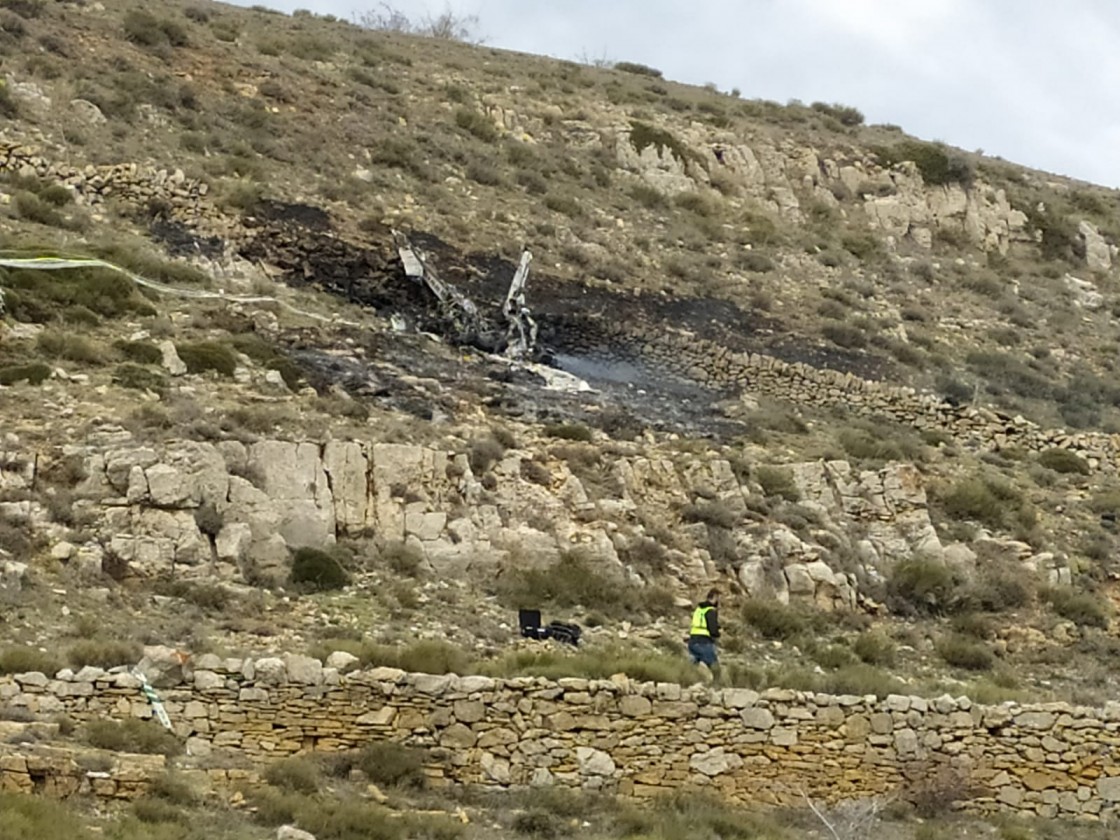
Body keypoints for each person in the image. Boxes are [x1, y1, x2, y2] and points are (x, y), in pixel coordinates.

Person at [688, 588, 722, 685]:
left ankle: (688, 685)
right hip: (704, 642)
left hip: (692, 641)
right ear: (715, 597)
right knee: (715, 668)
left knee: (690, 668)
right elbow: (712, 629)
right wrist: (718, 633)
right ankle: (716, 688)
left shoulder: (699, 609)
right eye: (718, 599)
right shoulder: (710, 610)